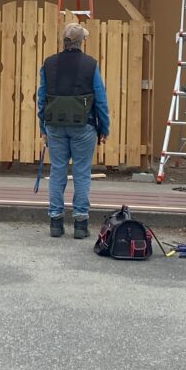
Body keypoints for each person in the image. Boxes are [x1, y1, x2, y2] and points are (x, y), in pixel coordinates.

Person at [36, 22, 110, 239]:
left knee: (57, 170)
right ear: (81, 42)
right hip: (84, 126)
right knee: (81, 172)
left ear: (64, 41)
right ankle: (80, 223)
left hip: (55, 125)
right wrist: (103, 128)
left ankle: (56, 222)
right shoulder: (90, 65)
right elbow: (100, 99)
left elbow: (41, 98)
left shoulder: (48, 64)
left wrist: (43, 127)